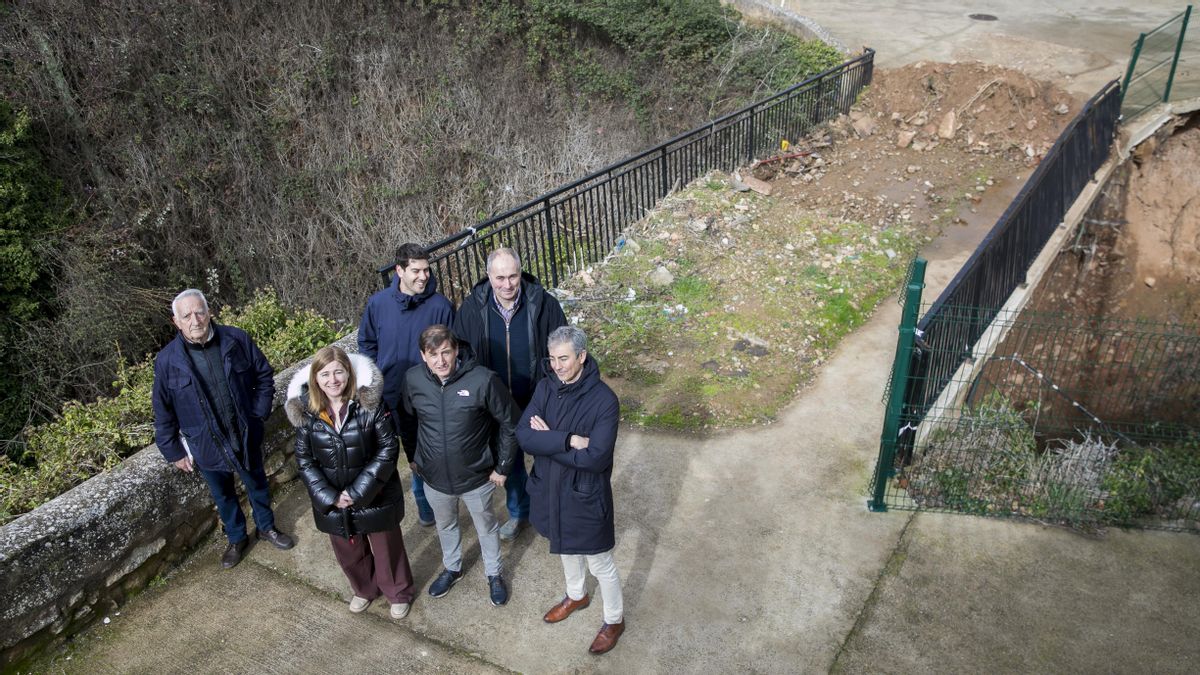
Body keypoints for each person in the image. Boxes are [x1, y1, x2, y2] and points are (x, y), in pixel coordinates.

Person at [152, 289, 294, 569]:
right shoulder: (168, 361)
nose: (195, 320)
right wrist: (173, 450)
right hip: (205, 443)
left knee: (257, 484)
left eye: (199, 312)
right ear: (176, 322)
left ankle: (266, 528)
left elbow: (264, 376)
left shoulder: (236, 339)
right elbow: (163, 409)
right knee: (224, 495)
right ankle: (237, 538)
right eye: (186, 316)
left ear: (209, 313)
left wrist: (258, 414)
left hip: (243, 432)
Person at [517, 326, 625, 655]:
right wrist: (567, 439)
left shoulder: (604, 401)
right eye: (552, 359)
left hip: (584, 494)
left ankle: (614, 619)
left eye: (563, 358)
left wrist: (548, 440)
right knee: (564, 547)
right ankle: (576, 595)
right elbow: (524, 435)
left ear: (581, 356)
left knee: (599, 562)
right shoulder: (546, 387)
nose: (557, 366)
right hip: (550, 488)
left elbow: (595, 458)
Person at [285, 346, 415, 619]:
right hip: (334, 500)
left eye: (338, 372)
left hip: (374, 493)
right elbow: (304, 460)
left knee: (386, 548)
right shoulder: (308, 413)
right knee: (349, 550)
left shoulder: (372, 405)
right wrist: (331, 496)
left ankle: (398, 592)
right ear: (315, 379)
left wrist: (357, 492)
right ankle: (364, 589)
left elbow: (388, 450)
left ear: (349, 374)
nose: (332, 380)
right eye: (325, 374)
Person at [399, 324, 519, 606]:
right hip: (435, 478)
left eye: (446, 352)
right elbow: (406, 420)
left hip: (476, 477)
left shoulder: (483, 380)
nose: (441, 361)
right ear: (422, 356)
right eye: (433, 354)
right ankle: (453, 568)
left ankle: (494, 574)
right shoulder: (413, 380)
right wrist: (413, 457)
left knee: (486, 528)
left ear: (456, 351)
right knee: (446, 525)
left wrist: (502, 466)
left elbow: (511, 423)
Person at [453, 247, 567, 541]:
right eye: (500, 277)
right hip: (497, 405)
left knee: (549, 460)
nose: (507, 285)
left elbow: (562, 348)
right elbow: (462, 356)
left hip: (537, 399)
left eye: (513, 276)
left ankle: (554, 513)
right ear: (489, 276)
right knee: (511, 462)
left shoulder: (543, 304)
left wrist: (553, 392)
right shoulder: (471, 309)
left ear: (521, 273)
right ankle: (520, 513)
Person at [358, 243, 454, 527]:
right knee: (386, 456)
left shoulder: (440, 307)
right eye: (416, 271)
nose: (423, 276)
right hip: (386, 397)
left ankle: (429, 508)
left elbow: (452, 350)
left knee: (421, 457)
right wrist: (374, 378)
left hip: (427, 397)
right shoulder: (378, 304)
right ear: (399, 270)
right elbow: (367, 343)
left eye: (426, 270)